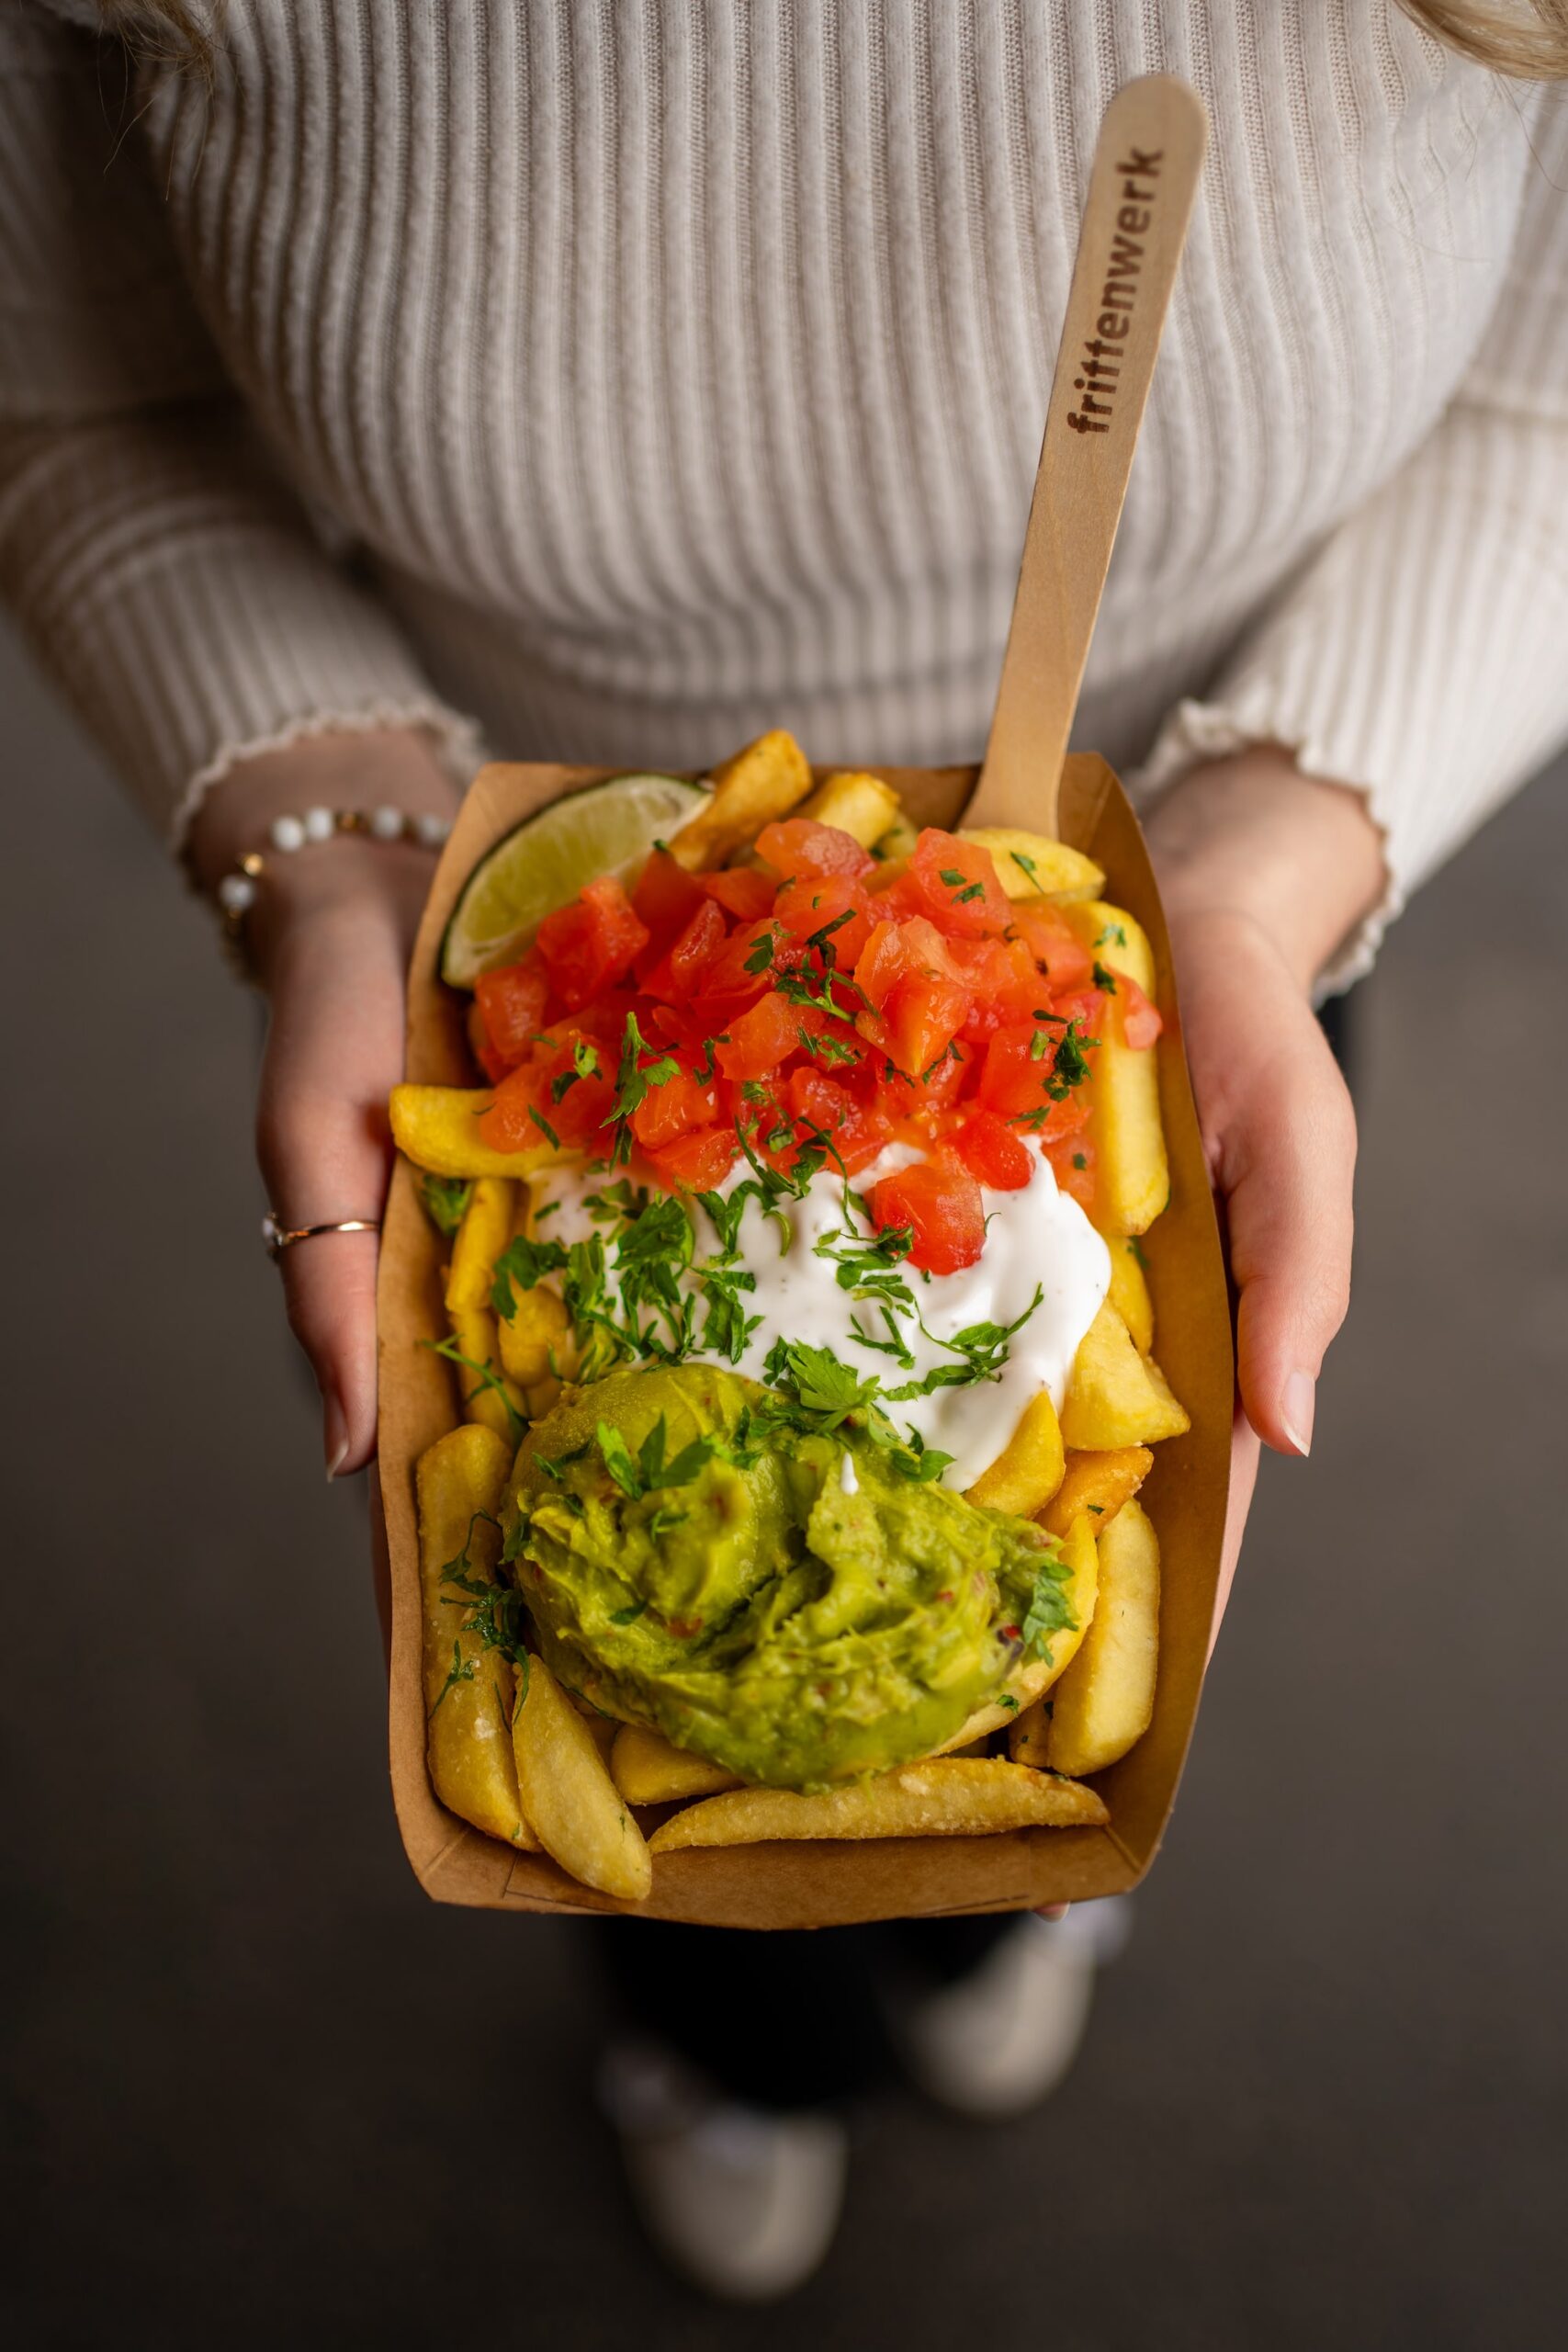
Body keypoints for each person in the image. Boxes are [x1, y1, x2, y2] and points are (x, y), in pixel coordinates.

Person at [4, 0, 1566, 2302]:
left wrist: (1246, 873)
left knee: (1039, 1765)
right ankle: (719, 2041)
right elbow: (77, 408)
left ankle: (959, 1939)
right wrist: (334, 861)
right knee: (696, 1907)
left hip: (1186, 966)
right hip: (546, 970)